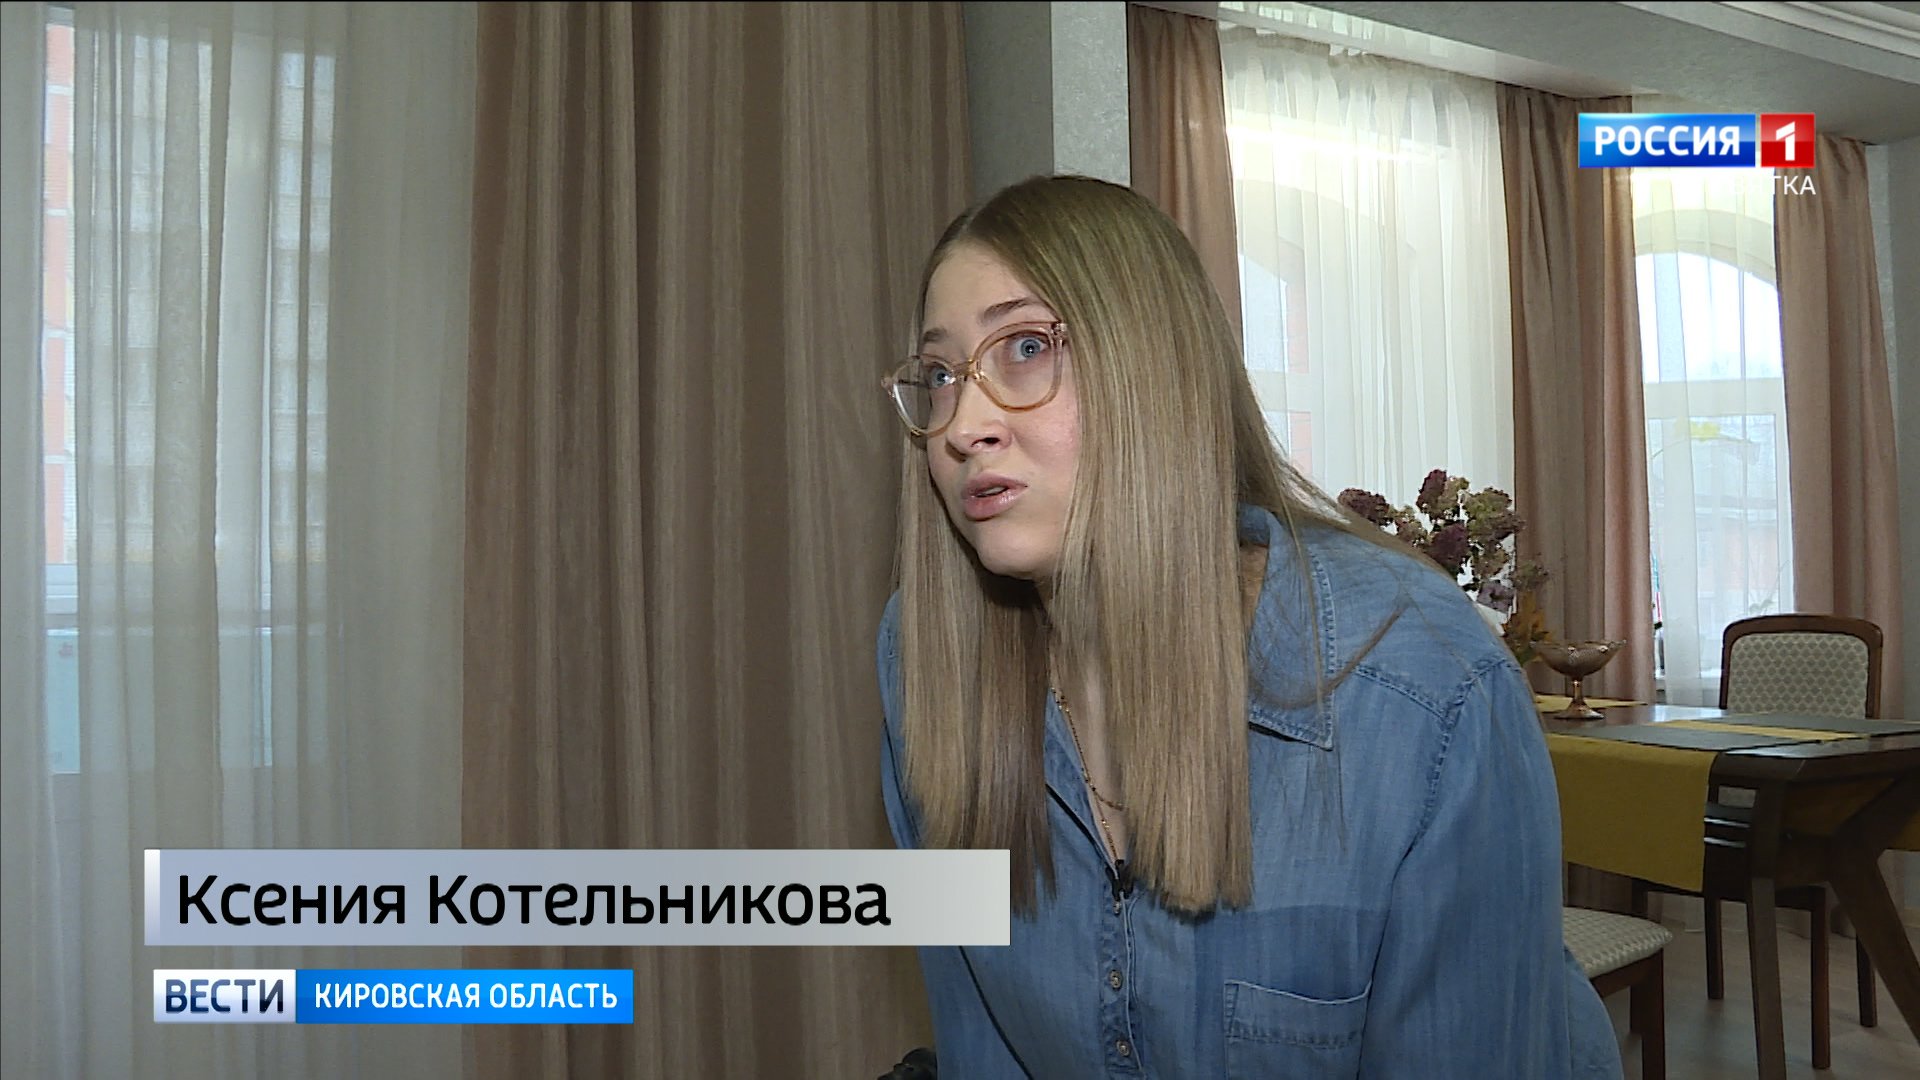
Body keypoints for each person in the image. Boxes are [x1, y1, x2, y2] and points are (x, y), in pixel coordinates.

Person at [875, 175, 1621, 1079]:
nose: (963, 425)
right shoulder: (922, 660)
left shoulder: (1420, 682)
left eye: (1027, 347)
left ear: (1155, 370)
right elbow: (976, 1041)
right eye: (941, 376)